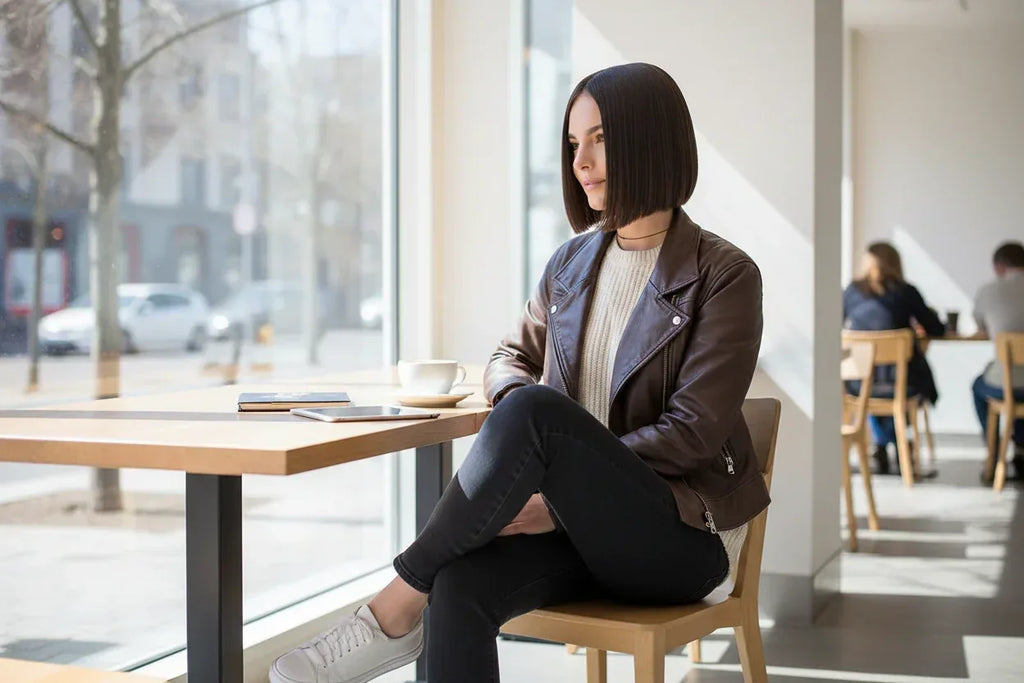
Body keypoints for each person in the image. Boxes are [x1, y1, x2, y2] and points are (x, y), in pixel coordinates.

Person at [269, 63, 769, 683]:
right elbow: (510, 359)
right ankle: (412, 595)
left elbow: (691, 432)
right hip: (582, 541)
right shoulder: (570, 262)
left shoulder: (725, 275)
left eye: (601, 139)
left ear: (653, 139)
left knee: (535, 414)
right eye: (573, 143)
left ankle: (391, 609)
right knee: (456, 582)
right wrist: (544, 464)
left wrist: (560, 491)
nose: (581, 160)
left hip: (679, 541)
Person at [843, 242, 945, 474]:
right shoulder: (906, 291)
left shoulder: (851, 292)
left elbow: (837, 325)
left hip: (856, 383)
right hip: (900, 383)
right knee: (905, 379)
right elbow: (936, 329)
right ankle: (898, 444)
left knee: (872, 382)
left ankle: (882, 444)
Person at [972, 241, 1024, 481]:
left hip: (1006, 382)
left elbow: (982, 327)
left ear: (999, 266)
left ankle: (992, 451)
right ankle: (1021, 448)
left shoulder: (988, 291)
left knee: (980, 386)